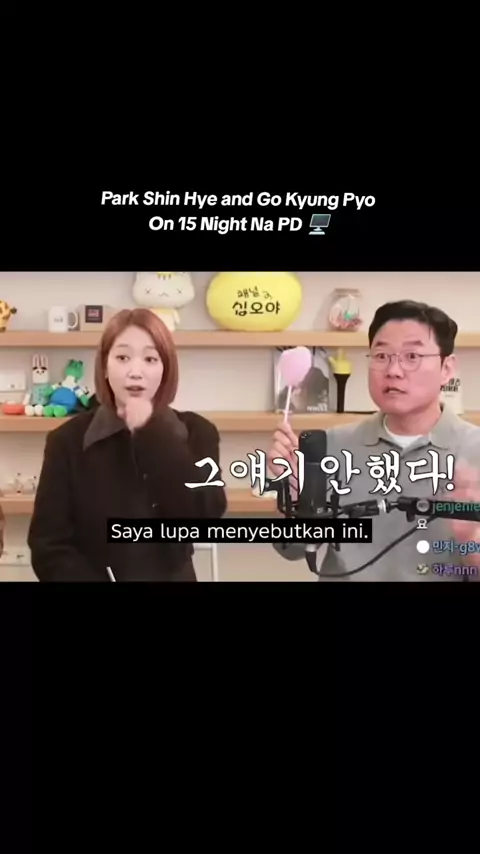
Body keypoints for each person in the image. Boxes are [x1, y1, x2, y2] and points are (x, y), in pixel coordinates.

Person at [267, 300, 480, 581]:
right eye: (381, 356)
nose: (393, 370)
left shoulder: (474, 450)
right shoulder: (332, 446)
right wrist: (295, 499)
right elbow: (293, 550)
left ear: (447, 368)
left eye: (412, 356)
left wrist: (471, 539)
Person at [28, 308, 227, 581]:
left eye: (150, 359)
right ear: (105, 367)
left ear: (165, 369)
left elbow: (204, 515)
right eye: (122, 358)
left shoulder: (197, 432)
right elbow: (48, 547)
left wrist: (152, 433)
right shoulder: (66, 441)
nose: (135, 372)